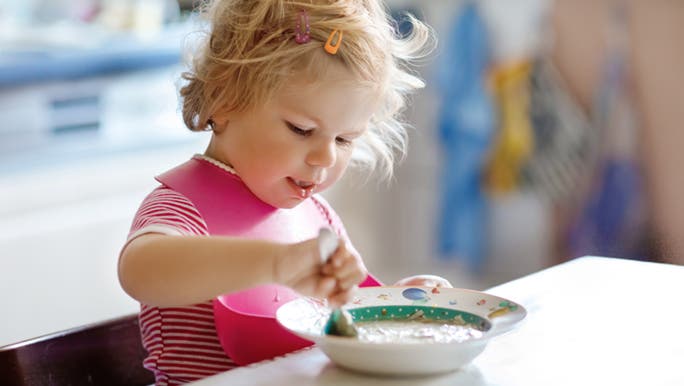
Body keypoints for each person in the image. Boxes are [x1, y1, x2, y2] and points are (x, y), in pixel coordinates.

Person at [117, 1, 451, 384]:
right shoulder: (183, 205)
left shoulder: (317, 217)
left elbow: (342, 310)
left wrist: (392, 302)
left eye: (344, 139)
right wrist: (275, 263)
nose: (325, 156)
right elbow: (141, 270)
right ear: (225, 101)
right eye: (301, 129)